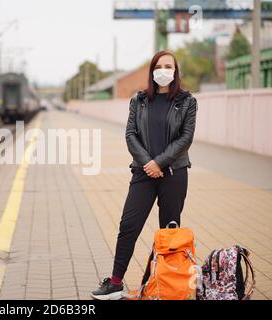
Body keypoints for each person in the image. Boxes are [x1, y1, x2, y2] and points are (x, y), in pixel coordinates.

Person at [91, 50, 198, 300]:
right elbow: (130, 135)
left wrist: (159, 162)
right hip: (143, 173)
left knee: (169, 230)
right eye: (159, 66)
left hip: (174, 173)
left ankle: (167, 284)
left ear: (175, 71)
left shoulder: (187, 101)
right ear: (152, 71)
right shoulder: (138, 101)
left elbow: (186, 138)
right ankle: (115, 283)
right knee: (128, 225)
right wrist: (148, 163)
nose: (164, 70)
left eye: (168, 66)